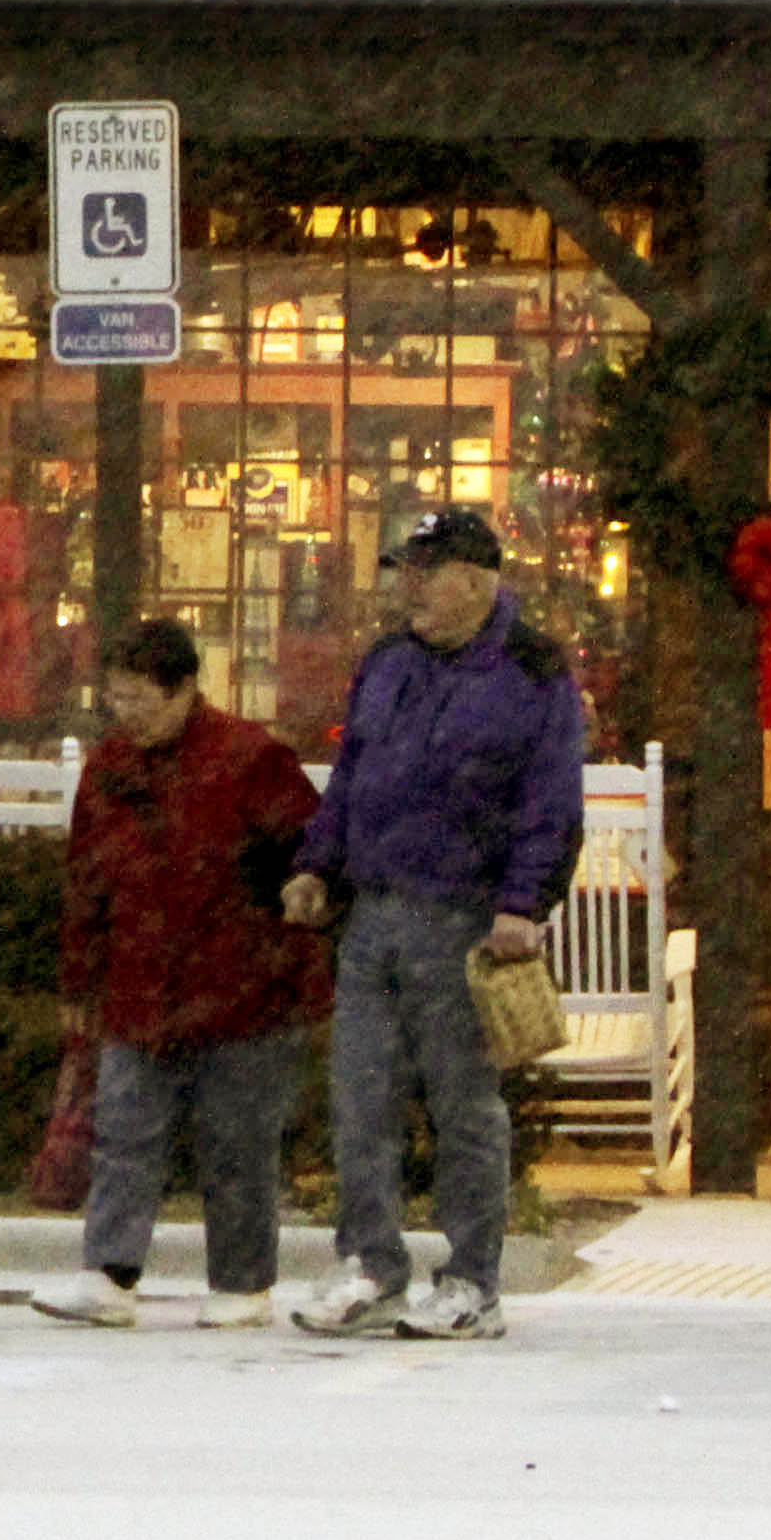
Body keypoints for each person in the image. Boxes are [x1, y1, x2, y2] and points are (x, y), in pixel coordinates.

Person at [283, 506, 584, 1342]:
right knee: (360, 1097)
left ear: (477, 579)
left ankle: (470, 1281)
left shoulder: (530, 672)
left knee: (462, 1105)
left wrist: (521, 904)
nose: (407, 588)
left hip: (465, 922)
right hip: (373, 912)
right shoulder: (387, 664)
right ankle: (370, 1266)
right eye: (402, 570)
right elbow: (353, 776)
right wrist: (316, 863)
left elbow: (549, 802)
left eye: (426, 570)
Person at [27, 617, 328, 1332]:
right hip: (139, 981)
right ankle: (107, 1271)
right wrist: (80, 981)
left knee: (237, 1145)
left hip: (241, 986)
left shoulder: (251, 760)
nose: (127, 715)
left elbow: (309, 858)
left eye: (141, 700)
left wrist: (290, 942)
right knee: (124, 1133)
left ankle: (242, 1282)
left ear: (187, 689)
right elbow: (86, 883)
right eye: (117, 700)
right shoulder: (108, 770)